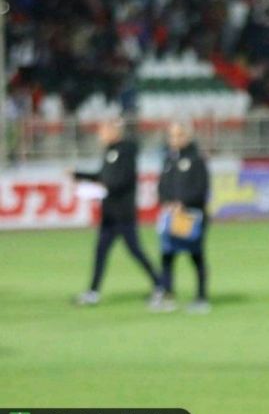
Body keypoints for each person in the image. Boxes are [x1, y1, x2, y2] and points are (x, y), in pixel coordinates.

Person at [72, 118, 162, 305]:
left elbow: (123, 180)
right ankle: (93, 292)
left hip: (123, 213)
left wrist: (101, 188)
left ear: (114, 132)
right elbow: (103, 176)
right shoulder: (109, 152)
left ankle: (160, 284)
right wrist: (78, 174)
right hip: (109, 214)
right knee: (101, 252)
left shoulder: (126, 152)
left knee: (135, 251)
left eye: (103, 131)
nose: (100, 135)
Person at [154, 121, 211, 314]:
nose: (174, 139)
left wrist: (183, 203)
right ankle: (167, 295)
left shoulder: (197, 159)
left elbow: (202, 189)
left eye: (179, 135)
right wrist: (167, 202)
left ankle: (201, 298)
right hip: (172, 216)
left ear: (188, 136)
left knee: (196, 256)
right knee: (167, 256)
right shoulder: (168, 160)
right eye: (172, 135)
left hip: (192, 217)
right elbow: (162, 186)